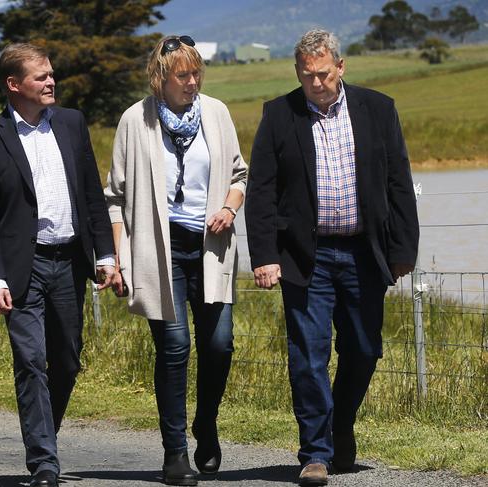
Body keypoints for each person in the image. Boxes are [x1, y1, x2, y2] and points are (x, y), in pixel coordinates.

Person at [245, 29, 419, 486]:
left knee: (363, 351)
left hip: (365, 252)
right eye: (306, 76)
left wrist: (403, 249)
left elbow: (398, 180)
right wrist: (264, 254)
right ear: (297, 73)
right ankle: (316, 452)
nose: (315, 83)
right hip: (307, 257)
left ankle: (340, 423)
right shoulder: (279, 115)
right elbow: (261, 191)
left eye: (322, 74)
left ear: (340, 67)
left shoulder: (378, 109)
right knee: (308, 355)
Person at [0, 43, 115, 487]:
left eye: (51, 74)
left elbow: (92, 192)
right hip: (22, 268)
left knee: (66, 361)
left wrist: (106, 254)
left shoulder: (71, 123)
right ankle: (45, 464)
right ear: (14, 85)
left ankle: (42, 435)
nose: (51, 82)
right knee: (31, 360)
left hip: (70, 261)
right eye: (40, 77)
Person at [104, 35, 247, 486]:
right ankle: (175, 452)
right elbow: (115, 197)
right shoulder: (135, 120)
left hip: (210, 248)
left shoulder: (217, 113)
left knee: (219, 344)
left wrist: (229, 206)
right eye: (182, 75)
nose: (192, 82)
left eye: (196, 73)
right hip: (157, 249)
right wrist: (118, 257)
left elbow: (240, 174)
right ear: (160, 78)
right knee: (174, 347)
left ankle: (206, 424)